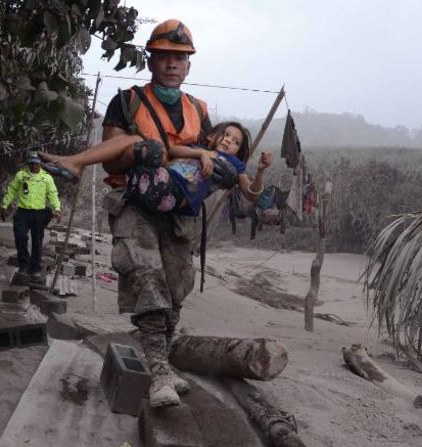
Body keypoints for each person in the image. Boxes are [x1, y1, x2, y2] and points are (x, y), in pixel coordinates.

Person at [98, 19, 268, 409]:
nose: (172, 64)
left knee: (176, 287)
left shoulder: (198, 110)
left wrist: (227, 171)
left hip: (179, 211)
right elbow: (110, 157)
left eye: (180, 58)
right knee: (147, 280)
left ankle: (165, 363)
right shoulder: (126, 101)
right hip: (134, 201)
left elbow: (211, 162)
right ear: (151, 60)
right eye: (164, 57)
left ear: (188, 66)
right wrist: (139, 152)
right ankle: (158, 372)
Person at [39, 121, 273, 216]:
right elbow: (174, 150)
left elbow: (252, 195)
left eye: (236, 142)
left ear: (239, 151)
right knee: (137, 143)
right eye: (227, 135)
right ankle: (76, 162)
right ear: (212, 135)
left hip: (172, 195)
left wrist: (260, 171)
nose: (229, 141)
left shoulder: (234, 164)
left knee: (140, 143)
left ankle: (76, 162)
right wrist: (201, 153)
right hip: (154, 183)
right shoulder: (199, 150)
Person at [0, 151, 61, 282]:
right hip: (22, 213)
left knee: (37, 242)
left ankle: (35, 269)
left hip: (39, 214)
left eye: (36, 164)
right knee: (21, 237)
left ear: (40, 164)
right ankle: (23, 265)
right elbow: (11, 190)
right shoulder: (21, 175)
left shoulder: (46, 178)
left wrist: (57, 209)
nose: (33, 166)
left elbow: (52, 194)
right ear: (28, 163)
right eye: (31, 164)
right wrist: (5, 205)